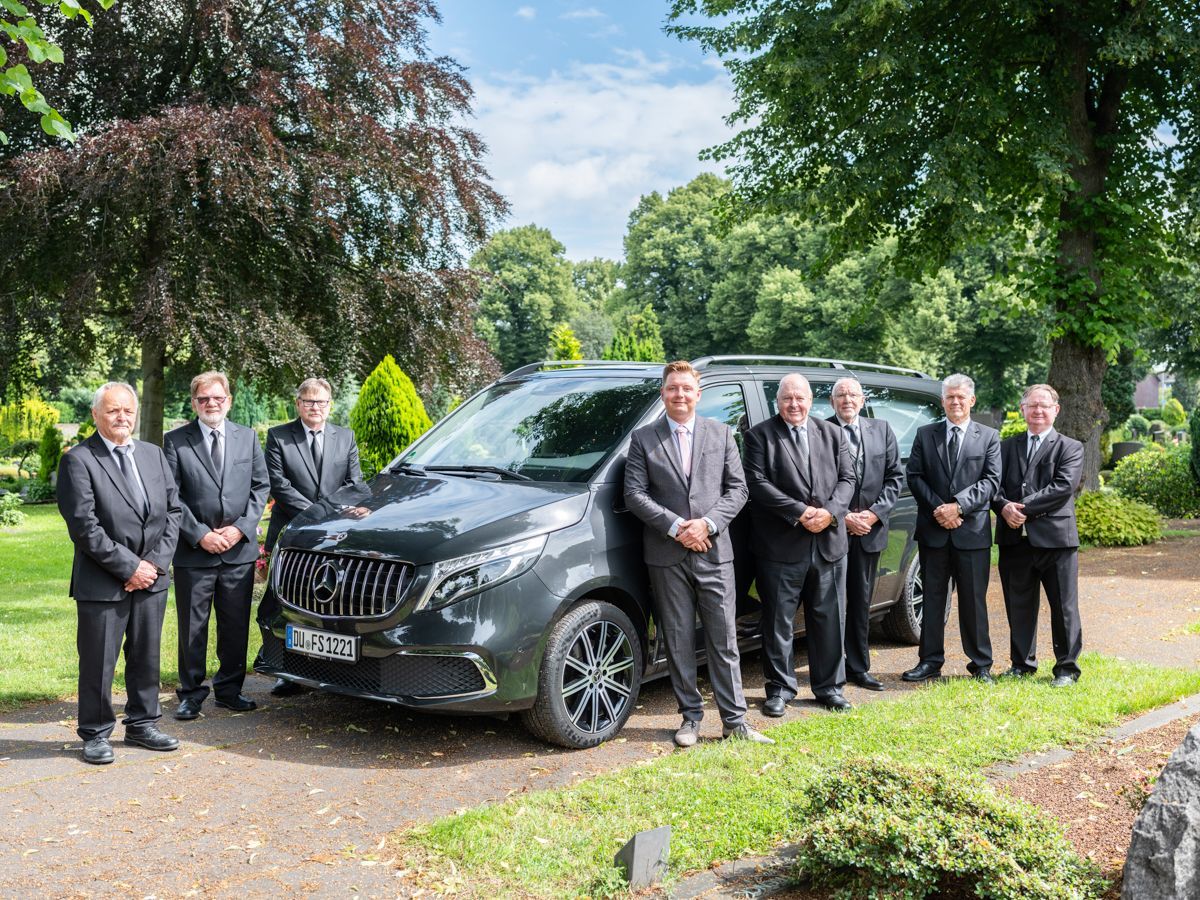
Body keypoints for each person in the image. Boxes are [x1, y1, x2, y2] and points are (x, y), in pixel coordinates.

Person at [624, 361, 772, 747]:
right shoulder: (643, 439)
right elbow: (634, 494)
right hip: (666, 554)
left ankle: (735, 722)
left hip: (714, 553)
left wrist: (705, 525)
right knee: (678, 640)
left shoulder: (721, 434)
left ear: (698, 394)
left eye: (686, 389)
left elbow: (738, 490)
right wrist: (677, 527)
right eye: (673, 388)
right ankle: (690, 718)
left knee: (724, 639)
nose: (680, 395)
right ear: (663, 393)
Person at [57, 382, 182, 764]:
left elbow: (174, 512)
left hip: (152, 580)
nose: (122, 417)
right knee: (98, 661)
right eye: (112, 410)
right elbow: (84, 526)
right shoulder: (79, 460)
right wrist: (130, 567)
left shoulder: (153, 455)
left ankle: (143, 724)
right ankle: (95, 733)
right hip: (102, 581)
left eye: (128, 410)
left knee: (146, 654)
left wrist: (153, 565)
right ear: (96, 415)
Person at [744, 373, 857, 713]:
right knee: (778, 622)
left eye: (799, 398)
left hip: (829, 544)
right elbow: (757, 483)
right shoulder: (758, 436)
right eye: (786, 399)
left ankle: (829, 688)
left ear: (811, 400)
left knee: (829, 619)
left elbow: (848, 478)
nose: (793, 404)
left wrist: (831, 513)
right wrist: (800, 512)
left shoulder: (833, 433)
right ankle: (780, 689)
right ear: (777, 402)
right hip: (779, 547)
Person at [164, 371, 269, 719]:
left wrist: (239, 530)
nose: (211, 404)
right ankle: (191, 694)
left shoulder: (248, 438)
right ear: (194, 403)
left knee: (235, 624)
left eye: (218, 398)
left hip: (238, 552)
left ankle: (229, 690)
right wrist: (200, 534)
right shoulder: (176, 441)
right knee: (193, 627)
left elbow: (260, 488)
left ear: (229, 401)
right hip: (195, 552)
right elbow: (172, 496)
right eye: (204, 399)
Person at [260, 377, 363, 695]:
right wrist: (318, 515)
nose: (315, 407)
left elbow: (355, 483)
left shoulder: (345, 437)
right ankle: (286, 672)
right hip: (291, 532)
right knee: (283, 602)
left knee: (326, 602)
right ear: (298, 404)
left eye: (321, 402)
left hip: (337, 537)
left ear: (330, 405)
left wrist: (351, 509)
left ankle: (331, 669)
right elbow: (278, 484)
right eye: (308, 401)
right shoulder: (279, 437)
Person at [902, 373, 1001, 684]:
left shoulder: (988, 437)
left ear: (971, 400)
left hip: (971, 533)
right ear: (942, 401)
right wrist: (939, 510)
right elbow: (915, 476)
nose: (955, 402)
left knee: (974, 601)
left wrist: (957, 507)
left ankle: (981, 664)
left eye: (961, 397)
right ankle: (929, 662)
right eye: (949, 398)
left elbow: (991, 481)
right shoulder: (925, 434)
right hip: (933, 531)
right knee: (932, 599)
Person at [993, 384, 1084, 686]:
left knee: (1064, 607)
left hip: (1056, 540)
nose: (1038, 411)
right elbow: (992, 485)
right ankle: (1022, 663)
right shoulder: (1006, 447)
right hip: (1014, 539)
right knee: (1018, 604)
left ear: (1055, 410)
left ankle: (1067, 668)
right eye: (1032, 405)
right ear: (1023, 410)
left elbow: (1062, 487)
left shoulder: (1070, 447)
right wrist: (1003, 507)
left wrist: (1021, 508)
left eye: (1044, 405)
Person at [827, 377, 904, 691]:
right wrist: (843, 518)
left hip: (869, 531)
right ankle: (831, 671)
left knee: (860, 603)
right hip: (832, 532)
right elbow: (815, 482)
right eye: (841, 395)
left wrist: (873, 515)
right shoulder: (822, 431)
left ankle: (858, 667)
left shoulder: (881, 430)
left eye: (853, 394)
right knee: (830, 603)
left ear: (862, 399)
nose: (847, 399)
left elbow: (895, 477)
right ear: (832, 401)